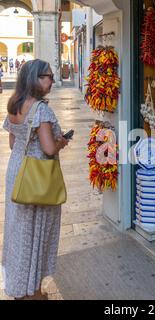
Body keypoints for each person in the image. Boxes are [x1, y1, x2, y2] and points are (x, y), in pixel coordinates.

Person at [2, 59, 70, 300]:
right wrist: (62, 140)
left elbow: (12, 143)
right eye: (47, 76)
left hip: (17, 171)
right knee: (37, 230)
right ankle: (33, 291)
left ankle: (20, 286)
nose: (51, 80)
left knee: (19, 231)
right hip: (38, 178)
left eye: (51, 76)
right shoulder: (41, 109)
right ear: (34, 78)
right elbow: (49, 149)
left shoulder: (14, 104)